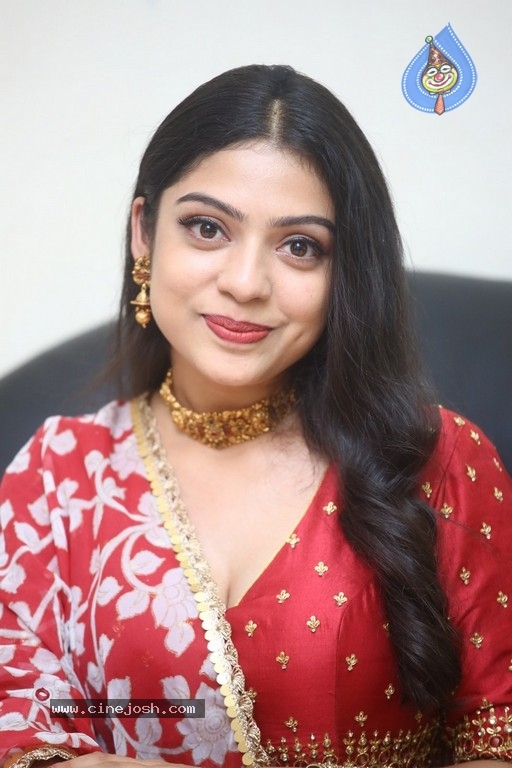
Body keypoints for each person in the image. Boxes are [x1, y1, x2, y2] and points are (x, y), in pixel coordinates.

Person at [0, 64, 510, 768]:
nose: (245, 283)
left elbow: (497, 735)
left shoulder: (435, 459)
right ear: (144, 232)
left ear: (344, 271)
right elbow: (20, 728)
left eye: (300, 246)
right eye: (207, 228)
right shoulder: (57, 479)